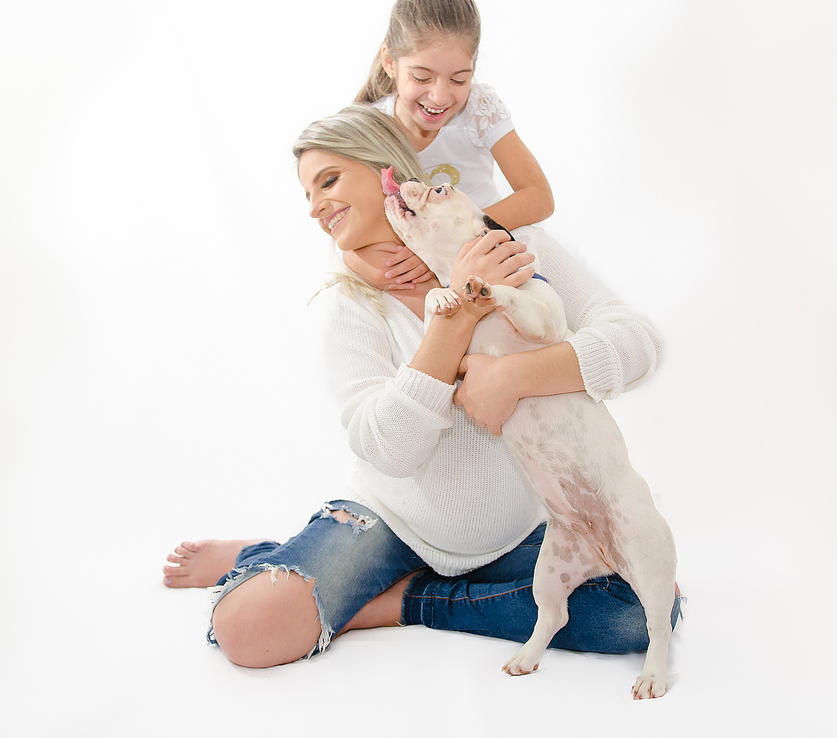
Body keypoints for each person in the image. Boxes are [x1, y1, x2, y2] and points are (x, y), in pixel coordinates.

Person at [162, 105, 680, 669]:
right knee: (249, 628)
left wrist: (514, 377)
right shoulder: (353, 305)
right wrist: (457, 316)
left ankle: (398, 601)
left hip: (513, 537)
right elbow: (388, 449)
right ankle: (271, 557)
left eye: (328, 181)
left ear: (384, 169)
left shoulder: (503, 243)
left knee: (636, 613)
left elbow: (639, 342)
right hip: (393, 526)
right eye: (307, 194)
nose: (313, 207)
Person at [349, 0, 553, 292]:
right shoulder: (369, 129)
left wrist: (459, 241)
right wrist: (427, 253)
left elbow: (538, 196)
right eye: (422, 77)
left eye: (459, 79)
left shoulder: (478, 108)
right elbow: (350, 232)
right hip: (430, 274)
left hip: (493, 245)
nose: (441, 96)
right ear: (390, 62)